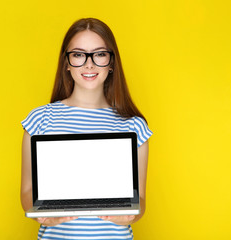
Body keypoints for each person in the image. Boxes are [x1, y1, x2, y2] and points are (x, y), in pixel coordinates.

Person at [21, 18, 153, 239]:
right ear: (67, 62)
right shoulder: (40, 119)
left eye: (100, 54)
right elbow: (27, 190)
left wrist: (131, 215)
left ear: (111, 62)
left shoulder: (134, 125)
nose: (89, 64)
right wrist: (40, 215)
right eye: (79, 54)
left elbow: (139, 200)